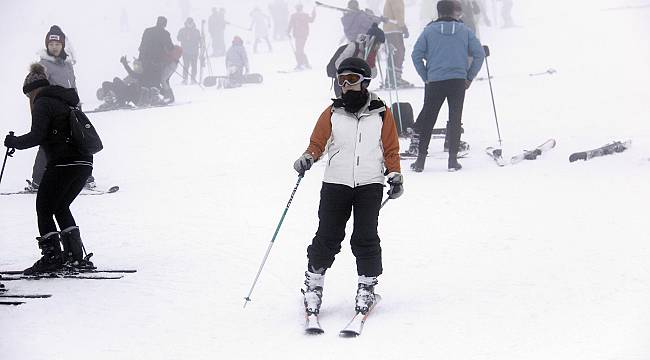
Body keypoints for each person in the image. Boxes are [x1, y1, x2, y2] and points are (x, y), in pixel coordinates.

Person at [293, 58, 403, 316]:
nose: (345, 85)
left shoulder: (381, 112)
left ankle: (367, 286)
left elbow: (390, 149)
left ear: (365, 81)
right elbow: (317, 142)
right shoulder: (332, 112)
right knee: (327, 236)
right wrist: (308, 156)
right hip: (335, 183)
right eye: (341, 80)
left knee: (365, 237)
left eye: (351, 79)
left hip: (369, 184)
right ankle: (314, 284)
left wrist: (395, 174)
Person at [4, 63, 94, 275]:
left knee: (44, 208)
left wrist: (14, 142)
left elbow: (38, 135)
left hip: (63, 162)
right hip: (83, 162)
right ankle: (74, 256)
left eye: (28, 96)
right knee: (60, 206)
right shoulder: (63, 101)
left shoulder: (42, 102)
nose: (29, 101)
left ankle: (52, 258)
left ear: (32, 90)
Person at [410, 0, 484, 172]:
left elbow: (416, 55)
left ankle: (420, 162)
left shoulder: (428, 31)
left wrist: (425, 76)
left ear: (439, 12)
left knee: (429, 119)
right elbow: (479, 54)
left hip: (435, 81)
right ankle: (452, 161)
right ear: (453, 11)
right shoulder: (465, 31)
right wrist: (469, 77)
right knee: (455, 118)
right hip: (458, 81)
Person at [26, 25, 95, 193]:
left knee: (80, 140)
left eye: (57, 44)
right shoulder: (43, 65)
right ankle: (38, 181)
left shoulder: (67, 64)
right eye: (51, 44)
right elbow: (33, 90)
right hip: (54, 113)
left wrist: (77, 104)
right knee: (48, 143)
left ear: (63, 45)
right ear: (47, 46)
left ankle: (84, 176)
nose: (54, 47)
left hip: (72, 111)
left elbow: (73, 86)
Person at [327, 23, 385, 97]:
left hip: (357, 86)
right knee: (345, 107)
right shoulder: (354, 47)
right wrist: (352, 73)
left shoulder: (371, 54)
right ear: (372, 40)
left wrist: (371, 63)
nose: (379, 47)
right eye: (378, 43)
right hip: (343, 84)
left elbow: (372, 75)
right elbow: (338, 63)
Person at [138, 16, 174, 97]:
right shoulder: (165, 33)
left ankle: (144, 96)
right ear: (165, 24)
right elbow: (170, 47)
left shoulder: (147, 31)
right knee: (156, 79)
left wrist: (140, 58)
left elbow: (142, 45)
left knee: (145, 78)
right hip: (157, 61)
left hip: (145, 59)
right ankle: (158, 97)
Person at [383, 0, 413, 88]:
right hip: (394, 29)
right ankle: (395, 79)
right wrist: (403, 26)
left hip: (390, 29)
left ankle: (390, 79)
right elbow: (398, 11)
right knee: (398, 53)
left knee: (393, 53)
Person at [287, 4, 316, 70]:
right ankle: (304, 64)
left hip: (299, 35)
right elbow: (311, 20)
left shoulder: (294, 16)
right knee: (299, 50)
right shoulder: (304, 15)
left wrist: (288, 32)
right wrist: (314, 13)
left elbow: (290, 25)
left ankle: (301, 64)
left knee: (299, 50)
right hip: (303, 35)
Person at [177, 17, 201, 85]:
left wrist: (201, 39)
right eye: (188, 23)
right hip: (185, 51)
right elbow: (178, 38)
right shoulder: (182, 30)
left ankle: (193, 79)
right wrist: (184, 37)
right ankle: (185, 79)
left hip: (194, 51)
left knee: (194, 66)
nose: (189, 24)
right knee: (186, 66)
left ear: (193, 23)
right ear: (186, 23)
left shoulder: (196, 31)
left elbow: (199, 40)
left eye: (191, 23)